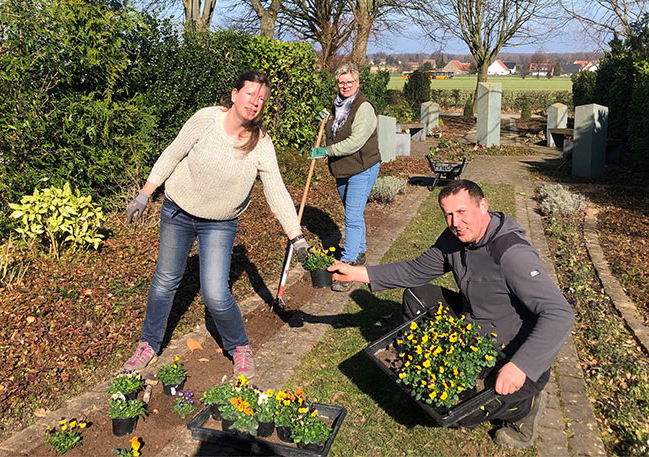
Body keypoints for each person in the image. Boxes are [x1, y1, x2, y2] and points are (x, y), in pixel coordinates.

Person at [328, 179, 574, 448]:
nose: (456, 222)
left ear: (483, 206)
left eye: (462, 211)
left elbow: (559, 313)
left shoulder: (511, 254)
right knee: (416, 294)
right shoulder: (454, 239)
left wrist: (521, 366)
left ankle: (525, 407)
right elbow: (415, 271)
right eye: (448, 214)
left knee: (459, 414)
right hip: (473, 324)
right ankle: (430, 362)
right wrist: (357, 273)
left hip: (510, 347)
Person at [123, 70, 309, 379]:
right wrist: (145, 194)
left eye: (262, 98)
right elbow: (173, 153)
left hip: (220, 224)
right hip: (177, 212)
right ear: (235, 94)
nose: (255, 102)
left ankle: (240, 348)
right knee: (166, 281)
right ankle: (148, 344)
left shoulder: (261, 144)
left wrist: (296, 237)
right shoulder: (206, 119)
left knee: (215, 293)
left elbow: (276, 190)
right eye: (250, 94)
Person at [309, 63, 380, 292]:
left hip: (362, 167)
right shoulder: (337, 105)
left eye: (349, 82)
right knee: (353, 214)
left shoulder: (364, 108)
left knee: (352, 215)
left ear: (357, 83)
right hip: (342, 169)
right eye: (341, 82)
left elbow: (355, 142)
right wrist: (326, 119)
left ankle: (347, 266)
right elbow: (336, 128)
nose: (345, 86)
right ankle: (359, 252)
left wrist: (326, 151)